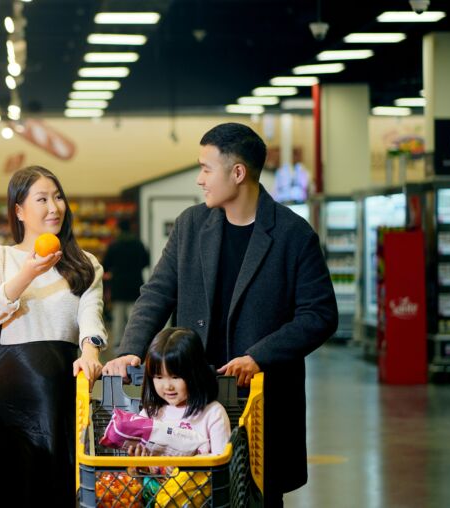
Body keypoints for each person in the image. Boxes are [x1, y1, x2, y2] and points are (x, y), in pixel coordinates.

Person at [103, 123, 337, 505]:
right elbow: (157, 292)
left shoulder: (294, 236)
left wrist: (259, 356)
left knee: (255, 494)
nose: (200, 179)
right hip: (191, 396)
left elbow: (320, 314)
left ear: (238, 172)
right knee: (187, 493)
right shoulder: (191, 226)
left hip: (259, 400)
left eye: (206, 168)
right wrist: (131, 348)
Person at [0, 166, 106, 506]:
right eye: (42, 199)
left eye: (58, 197)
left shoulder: (85, 263)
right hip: (6, 388)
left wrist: (90, 353)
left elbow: (91, 316)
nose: (54, 207)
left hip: (58, 387)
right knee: (6, 484)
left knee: (56, 481)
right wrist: (28, 272)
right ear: (19, 210)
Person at [101, 327, 230, 458]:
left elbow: (222, 465)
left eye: (175, 377)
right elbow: (137, 473)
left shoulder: (213, 414)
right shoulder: (149, 413)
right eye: (159, 377)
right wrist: (139, 466)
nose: (168, 386)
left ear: (196, 374)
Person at [102, 217, 150, 359]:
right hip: (135, 285)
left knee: (118, 318)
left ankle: (118, 345)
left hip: (119, 286)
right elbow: (146, 262)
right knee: (134, 317)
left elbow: (106, 265)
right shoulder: (138, 244)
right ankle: (134, 346)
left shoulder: (114, 245)